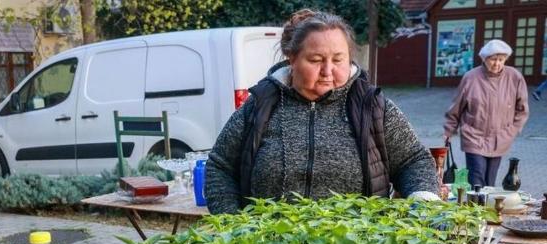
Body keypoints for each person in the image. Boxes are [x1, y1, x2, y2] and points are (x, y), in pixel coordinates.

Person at [204, 9, 439, 214]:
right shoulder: (260, 105)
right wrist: (234, 226)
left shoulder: (372, 106)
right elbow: (220, 166)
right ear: (292, 59)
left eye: (338, 60)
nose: (328, 70)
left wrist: (422, 200)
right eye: (316, 60)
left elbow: (414, 160)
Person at [443, 39, 529, 188]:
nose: (497, 64)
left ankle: (485, 210)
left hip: (500, 138)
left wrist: (511, 131)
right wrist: (449, 131)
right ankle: (475, 209)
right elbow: (456, 106)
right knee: (477, 181)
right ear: (484, 59)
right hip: (473, 136)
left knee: (489, 183)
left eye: (501, 60)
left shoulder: (514, 77)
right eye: (493, 59)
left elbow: (522, 109)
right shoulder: (471, 78)